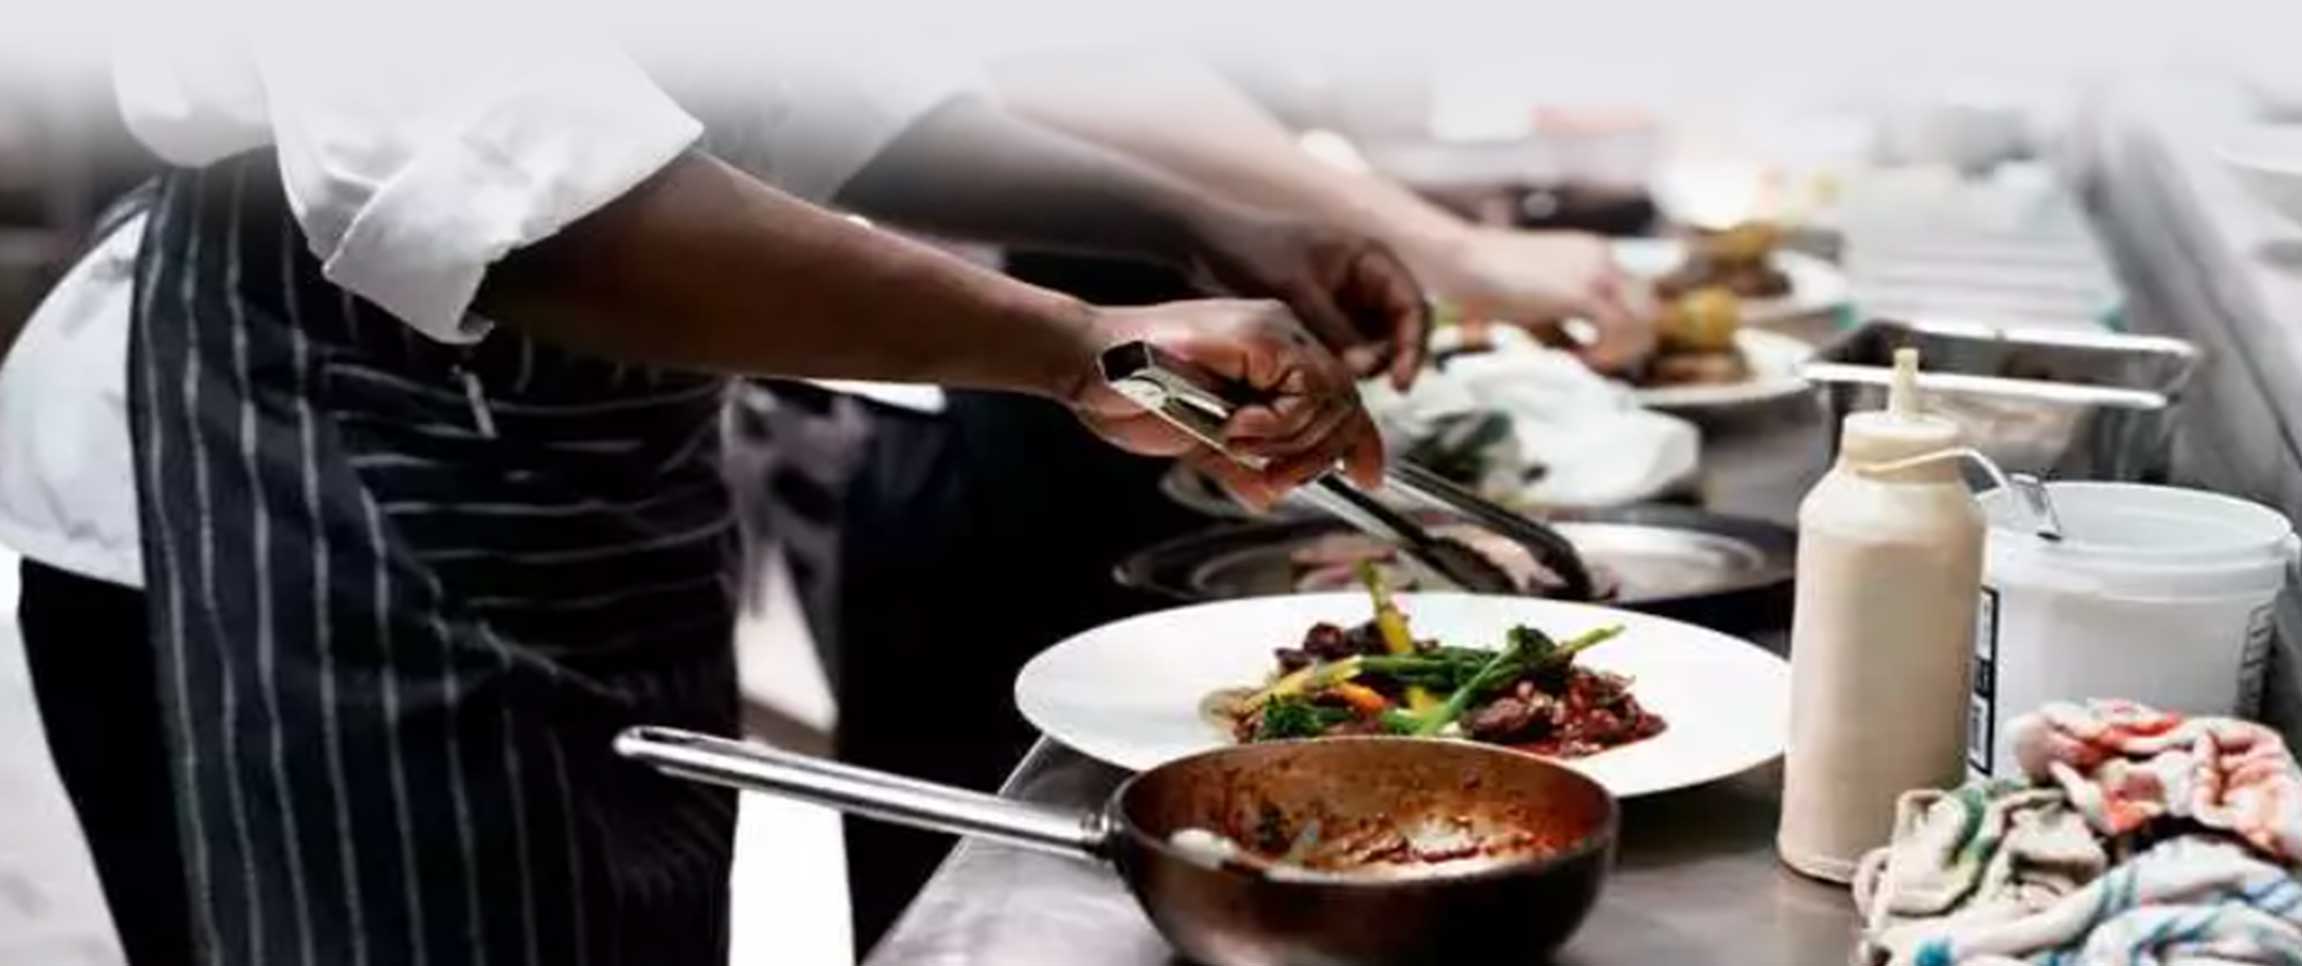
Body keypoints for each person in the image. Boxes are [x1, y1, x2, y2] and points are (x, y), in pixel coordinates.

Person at [0, 4, 1429, 963]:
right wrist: (1071, 348)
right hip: (294, 489)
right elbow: (528, 207)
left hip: (598, 489)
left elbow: (794, 90)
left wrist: (1196, 218)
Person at [805, 50, 1662, 948]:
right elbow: (1051, 62)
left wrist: (1219, 228)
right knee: (991, 900)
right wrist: (1437, 245)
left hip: (1145, 359)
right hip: (975, 399)